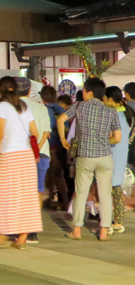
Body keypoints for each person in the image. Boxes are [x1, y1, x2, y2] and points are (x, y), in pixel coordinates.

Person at [0, 76, 41, 249]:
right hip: (27, 156)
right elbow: (34, 132)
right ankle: (22, 238)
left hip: (8, 156)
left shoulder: (0, 107)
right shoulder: (24, 107)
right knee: (25, 196)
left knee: (2, 194)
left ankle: (2, 235)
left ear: (0, 90)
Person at [58, 78, 121, 242]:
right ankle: (104, 232)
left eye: (84, 91)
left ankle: (77, 230)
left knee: (81, 192)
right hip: (105, 157)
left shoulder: (79, 106)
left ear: (90, 93)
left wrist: (63, 140)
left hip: (85, 156)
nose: (83, 94)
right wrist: (103, 142)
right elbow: (118, 138)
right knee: (105, 194)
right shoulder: (111, 111)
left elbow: (60, 120)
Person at [15, 77, 51, 245]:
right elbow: (45, 132)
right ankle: (32, 231)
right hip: (41, 155)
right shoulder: (40, 107)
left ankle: (21, 228)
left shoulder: (11, 108)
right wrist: (36, 148)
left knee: (21, 192)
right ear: (30, 91)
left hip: (19, 155)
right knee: (37, 191)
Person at [104, 86, 132, 234]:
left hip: (111, 155)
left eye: (103, 98)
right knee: (116, 190)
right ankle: (118, 222)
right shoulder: (126, 113)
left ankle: (107, 223)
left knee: (106, 191)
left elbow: (113, 136)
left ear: (110, 99)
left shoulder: (113, 115)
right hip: (121, 156)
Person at [41, 85, 70, 211]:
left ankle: (64, 201)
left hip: (52, 145)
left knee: (56, 174)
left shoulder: (45, 109)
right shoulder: (60, 109)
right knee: (53, 174)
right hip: (62, 145)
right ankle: (51, 198)